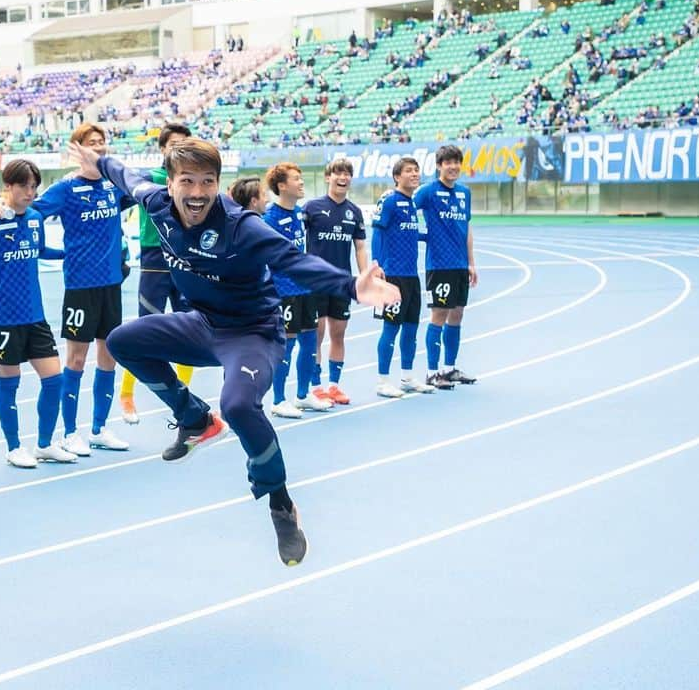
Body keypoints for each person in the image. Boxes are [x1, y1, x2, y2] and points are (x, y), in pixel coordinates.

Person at [71, 138, 400, 566]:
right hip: (203, 325)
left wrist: (351, 286)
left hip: (253, 334)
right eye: (187, 181)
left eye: (207, 182)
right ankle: (195, 419)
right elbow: (124, 176)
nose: (197, 192)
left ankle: (281, 504)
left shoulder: (241, 226)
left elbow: (290, 260)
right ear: (169, 184)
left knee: (240, 405)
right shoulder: (154, 203)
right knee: (122, 340)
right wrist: (98, 160)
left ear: (217, 184)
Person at [0, 159, 77, 467]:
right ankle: (13, 447)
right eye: (23, 185)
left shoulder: (35, 218)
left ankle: (44, 444)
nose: (30, 192)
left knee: (54, 380)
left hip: (34, 316)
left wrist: (69, 252)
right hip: (2, 319)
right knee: (9, 384)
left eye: (34, 186)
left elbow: (40, 251)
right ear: (6, 187)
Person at [30, 123, 135, 457]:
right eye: (92, 143)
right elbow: (29, 216)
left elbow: (149, 183)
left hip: (111, 286)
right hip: (80, 286)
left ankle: (99, 428)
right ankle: (69, 432)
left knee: (110, 355)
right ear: (77, 149)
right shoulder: (65, 189)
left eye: (102, 143)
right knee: (76, 359)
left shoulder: (113, 186)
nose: (99, 148)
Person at [118, 123, 194, 425]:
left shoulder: (194, 182)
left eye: (185, 144)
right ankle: (127, 395)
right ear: (163, 149)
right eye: (174, 144)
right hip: (154, 260)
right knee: (143, 330)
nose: (180, 149)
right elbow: (113, 203)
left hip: (187, 262)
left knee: (191, 330)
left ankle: (185, 402)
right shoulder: (149, 179)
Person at [263, 162, 332, 419]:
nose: (301, 183)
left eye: (302, 178)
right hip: (284, 291)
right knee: (287, 345)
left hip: (305, 288)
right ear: (282, 186)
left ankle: (303, 396)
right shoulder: (269, 218)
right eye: (296, 179)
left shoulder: (302, 213)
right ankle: (279, 400)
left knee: (310, 341)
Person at [372, 158, 440, 395]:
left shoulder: (411, 204)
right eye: (408, 171)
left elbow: (407, 233)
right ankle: (382, 381)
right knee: (390, 328)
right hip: (393, 277)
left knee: (411, 328)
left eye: (416, 170)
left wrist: (428, 236)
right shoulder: (390, 200)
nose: (414, 174)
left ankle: (407, 377)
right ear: (397, 177)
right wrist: (376, 266)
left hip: (412, 277)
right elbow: (378, 232)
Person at [302, 158, 368, 405]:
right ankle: (316, 386)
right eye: (338, 173)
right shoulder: (312, 207)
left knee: (338, 335)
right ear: (328, 177)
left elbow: (360, 247)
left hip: (341, 283)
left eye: (347, 173)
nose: (343, 177)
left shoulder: (355, 212)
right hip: (316, 282)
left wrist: (363, 278)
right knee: (316, 335)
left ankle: (334, 386)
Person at [414, 145, 478, 386]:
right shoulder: (428, 192)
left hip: (460, 265)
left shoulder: (464, 193)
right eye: (447, 162)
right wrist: (423, 235)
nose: (453, 167)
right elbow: (407, 212)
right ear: (439, 166)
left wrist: (471, 262)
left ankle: (450, 369)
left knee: (457, 315)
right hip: (439, 265)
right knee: (438, 315)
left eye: (456, 162)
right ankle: (432, 373)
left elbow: (467, 228)